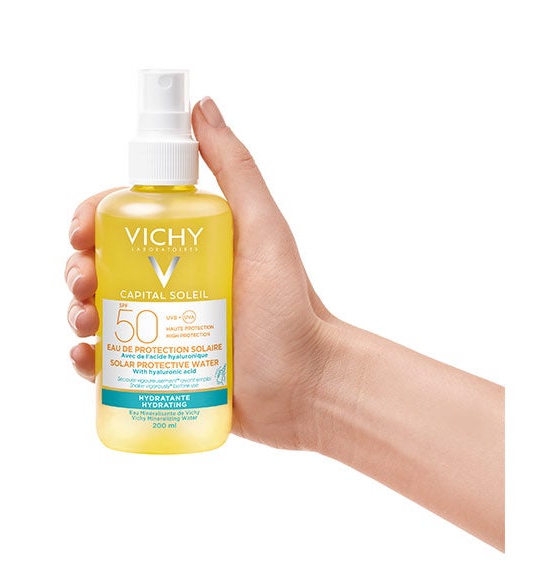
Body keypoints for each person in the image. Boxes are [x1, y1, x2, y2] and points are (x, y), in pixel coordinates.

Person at [65, 97, 505, 551]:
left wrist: (311, 375)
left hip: (201, 394)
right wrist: (310, 382)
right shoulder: (124, 212)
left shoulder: (210, 214)